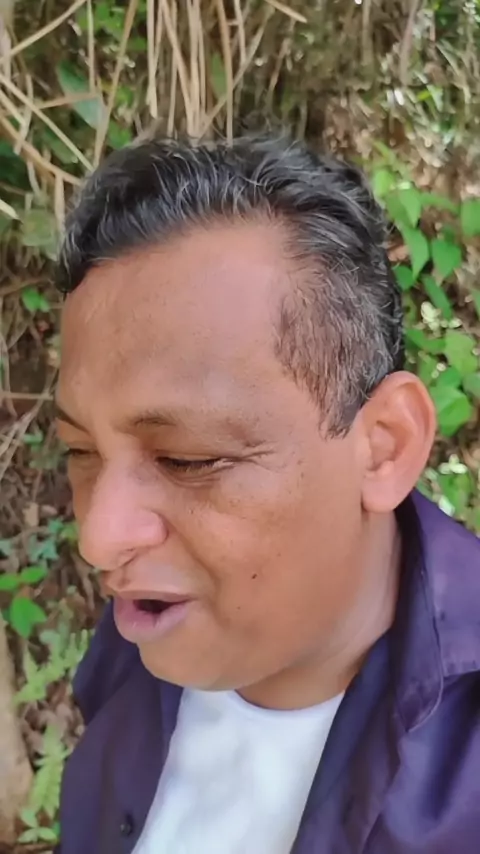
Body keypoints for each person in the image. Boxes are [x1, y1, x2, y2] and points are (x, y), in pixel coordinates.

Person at [54, 135, 480, 854]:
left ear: (384, 446)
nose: (100, 537)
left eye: (188, 459)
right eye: (81, 452)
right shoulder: (146, 629)